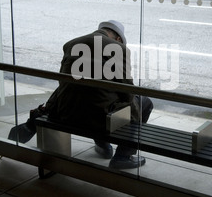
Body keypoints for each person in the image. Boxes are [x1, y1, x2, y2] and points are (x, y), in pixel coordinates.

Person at [9, 20, 153, 170]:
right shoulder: (118, 48)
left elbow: (63, 81)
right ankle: (123, 156)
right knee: (144, 102)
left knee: (90, 98)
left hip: (65, 113)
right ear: (118, 39)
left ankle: (103, 147)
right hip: (99, 119)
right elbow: (127, 93)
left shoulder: (71, 44)